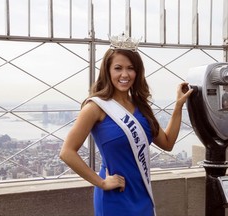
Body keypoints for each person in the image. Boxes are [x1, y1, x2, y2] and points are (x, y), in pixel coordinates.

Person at [59, 34, 193, 216]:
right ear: (108, 71)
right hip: (115, 197)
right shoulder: (95, 107)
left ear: (137, 72)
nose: (125, 74)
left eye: (131, 68)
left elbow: (167, 143)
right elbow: (67, 152)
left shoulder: (141, 107)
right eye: (118, 68)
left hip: (142, 194)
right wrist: (102, 182)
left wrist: (178, 105)